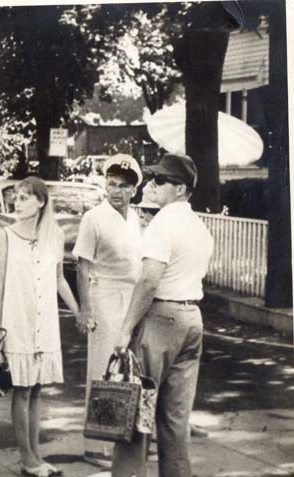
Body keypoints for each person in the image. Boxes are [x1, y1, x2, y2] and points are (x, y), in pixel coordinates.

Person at [113, 153, 214, 477]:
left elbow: (148, 280)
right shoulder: (200, 228)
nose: (152, 185)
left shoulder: (163, 224)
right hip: (192, 319)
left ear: (181, 189)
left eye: (160, 180)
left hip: (160, 320)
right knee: (175, 421)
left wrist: (126, 328)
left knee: (135, 414)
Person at [0, 176, 80, 477]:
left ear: (41, 201)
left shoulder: (54, 235)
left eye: (26, 197)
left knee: (37, 389)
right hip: (17, 322)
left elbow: (59, 280)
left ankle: (36, 457)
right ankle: (27, 459)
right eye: (17, 196)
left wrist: (79, 311)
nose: (18, 201)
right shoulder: (6, 236)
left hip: (45, 322)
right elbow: (0, 286)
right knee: (22, 389)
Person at [72, 154, 143, 466]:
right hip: (104, 296)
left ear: (133, 191)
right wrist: (85, 309)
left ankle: (122, 438)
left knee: (129, 371)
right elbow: (82, 266)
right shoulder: (94, 218)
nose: (116, 191)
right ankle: (94, 446)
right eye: (111, 184)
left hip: (132, 297)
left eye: (123, 186)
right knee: (103, 369)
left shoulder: (135, 218)